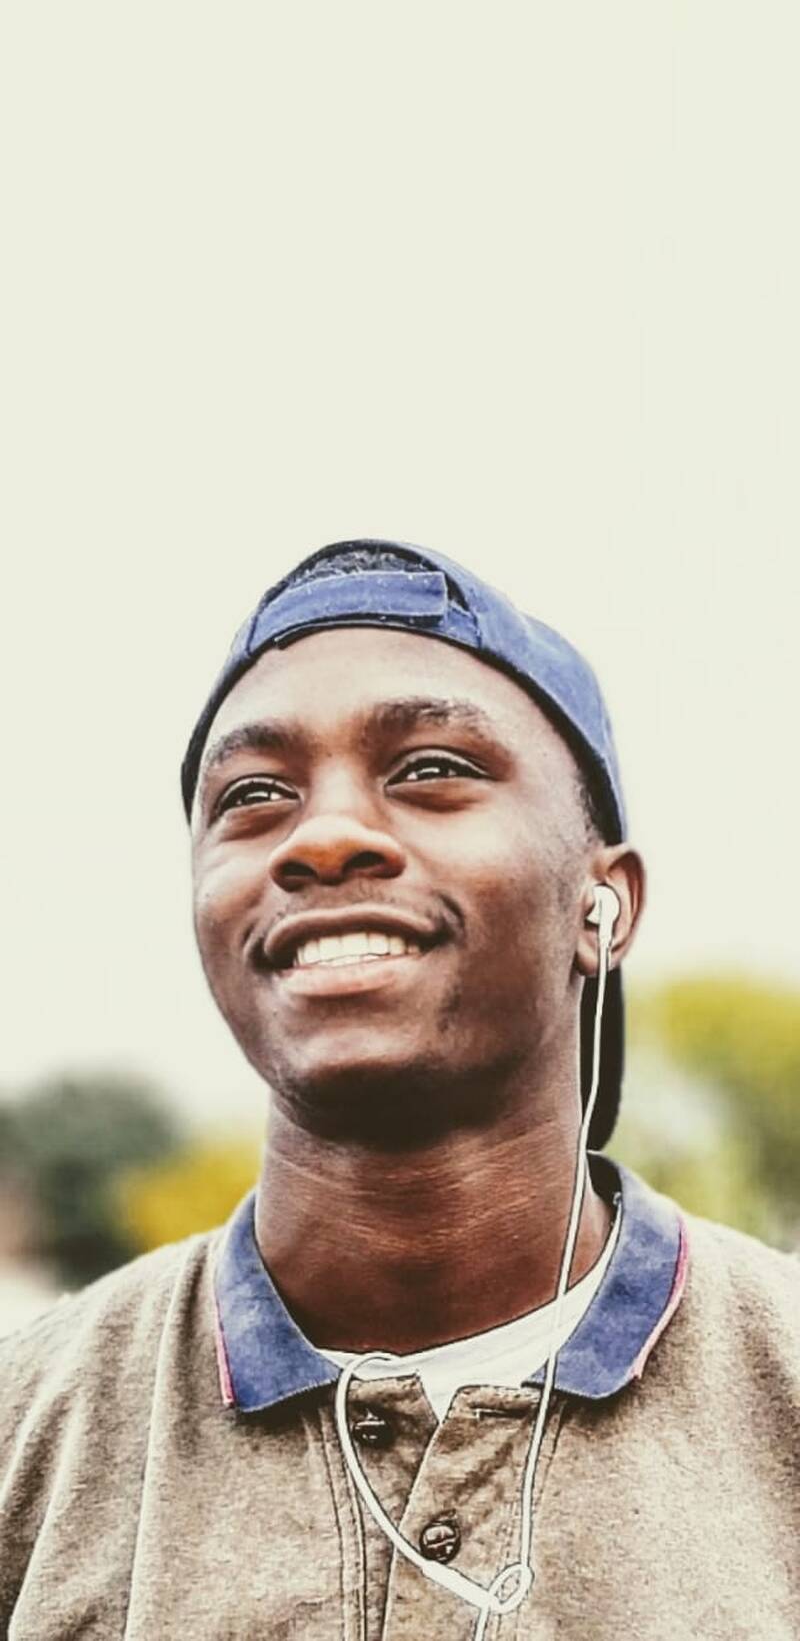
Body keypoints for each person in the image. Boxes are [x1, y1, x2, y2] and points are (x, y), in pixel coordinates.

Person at [1, 539, 798, 1641]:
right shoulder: (28, 1431)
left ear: (602, 903)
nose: (323, 836)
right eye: (254, 794)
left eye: (429, 770)